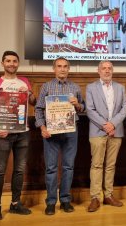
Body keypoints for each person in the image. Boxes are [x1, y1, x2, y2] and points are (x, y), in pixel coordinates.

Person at [0, 51, 36, 220]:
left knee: (19, 170)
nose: (11, 64)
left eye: (14, 61)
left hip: (23, 133)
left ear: (18, 64)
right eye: (8, 61)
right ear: (2, 63)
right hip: (3, 134)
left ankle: (15, 204)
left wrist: (28, 94)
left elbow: (33, 101)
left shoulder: (25, 81)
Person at [35, 57, 85, 215]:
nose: (62, 69)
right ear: (54, 69)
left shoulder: (75, 87)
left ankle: (65, 200)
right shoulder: (46, 87)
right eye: (59, 66)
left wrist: (77, 104)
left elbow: (82, 108)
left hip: (71, 132)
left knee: (68, 167)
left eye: (65, 66)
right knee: (51, 168)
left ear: (68, 69)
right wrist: (42, 127)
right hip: (51, 132)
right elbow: (38, 109)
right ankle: (50, 202)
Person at [85, 61, 126, 212]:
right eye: (104, 68)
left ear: (112, 71)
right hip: (97, 132)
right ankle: (95, 197)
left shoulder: (120, 87)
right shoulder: (91, 87)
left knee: (110, 165)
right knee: (96, 165)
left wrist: (113, 124)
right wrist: (105, 125)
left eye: (109, 68)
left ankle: (108, 195)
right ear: (98, 71)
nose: (107, 70)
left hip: (116, 132)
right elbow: (89, 110)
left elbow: (124, 109)